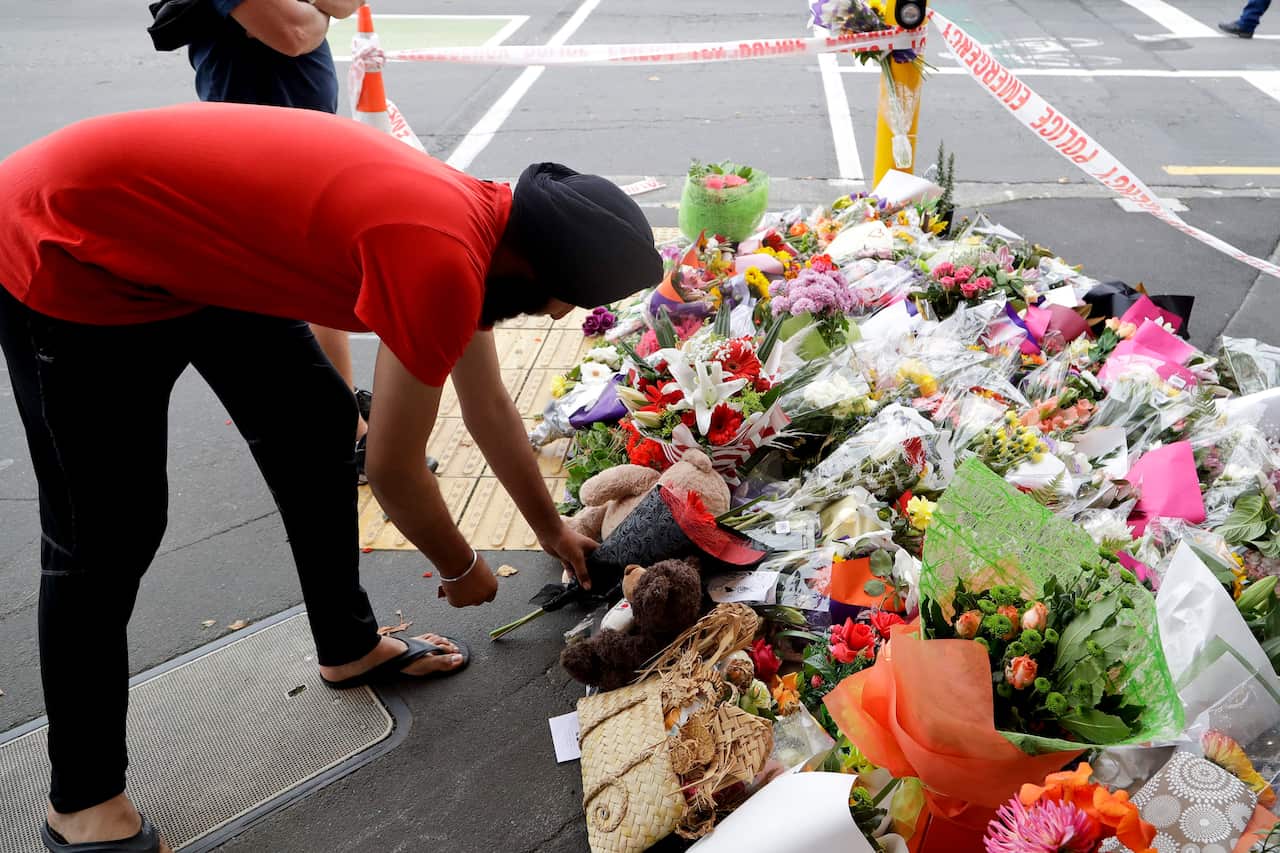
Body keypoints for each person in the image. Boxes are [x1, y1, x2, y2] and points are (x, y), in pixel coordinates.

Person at [0, 103, 663, 853]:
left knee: (315, 428)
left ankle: (346, 644)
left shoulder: (484, 225)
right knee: (106, 530)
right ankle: (81, 801)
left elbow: (489, 403)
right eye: (564, 298)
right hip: (71, 242)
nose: (558, 314)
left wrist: (549, 528)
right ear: (535, 267)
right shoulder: (443, 256)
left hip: (192, 247)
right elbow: (392, 469)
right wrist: (462, 564)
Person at [190, 0, 407, 477]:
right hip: (262, 145)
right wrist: (314, 13)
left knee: (314, 283)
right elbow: (292, 31)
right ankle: (346, 433)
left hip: (303, 138)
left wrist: (314, 13)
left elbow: (345, 5)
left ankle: (338, 413)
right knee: (309, 288)